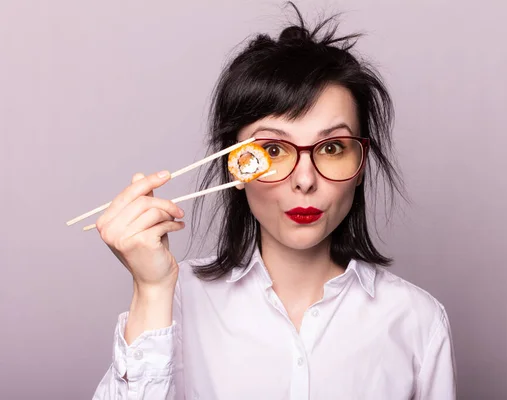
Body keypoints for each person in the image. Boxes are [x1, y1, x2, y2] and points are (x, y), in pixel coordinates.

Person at [92, 3, 456, 399]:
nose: (304, 180)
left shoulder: (417, 320)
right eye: (274, 150)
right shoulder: (174, 302)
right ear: (236, 166)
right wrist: (151, 289)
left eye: (332, 147)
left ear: (362, 163)